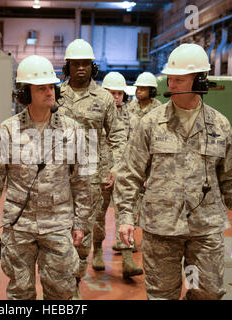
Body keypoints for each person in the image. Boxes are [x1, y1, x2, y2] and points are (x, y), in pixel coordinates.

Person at [114, 43, 232, 300]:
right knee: (162, 294)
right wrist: (125, 217)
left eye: (179, 80)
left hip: (204, 229)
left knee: (206, 292)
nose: (171, 84)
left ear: (199, 81)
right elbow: (130, 173)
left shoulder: (219, 125)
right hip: (161, 229)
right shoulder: (152, 123)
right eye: (171, 79)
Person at [0, 55, 90, 300]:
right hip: (19, 227)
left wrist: (80, 222)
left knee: (61, 292)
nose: (50, 92)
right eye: (42, 88)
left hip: (58, 224)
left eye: (52, 87)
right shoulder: (7, 130)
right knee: (19, 292)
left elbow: (81, 181)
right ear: (25, 94)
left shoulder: (72, 130)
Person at [57, 39, 127, 298]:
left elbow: (118, 136)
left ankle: (74, 283)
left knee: (83, 233)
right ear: (68, 66)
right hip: (58, 177)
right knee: (57, 231)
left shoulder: (104, 98)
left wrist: (116, 168)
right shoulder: (55, 95)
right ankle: (59, 283)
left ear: (92, 66)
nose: (81, 69)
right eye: (76, 64)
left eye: (85, 63)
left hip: (92, 177)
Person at [92, 72, 143, 278]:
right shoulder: (96, 116)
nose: (116, 97)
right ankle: (96, 251)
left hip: (124, 174)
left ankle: (128, 258)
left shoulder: (132, 118)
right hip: (100, 174)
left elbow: (138, 147)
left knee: (126, 214)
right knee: (98, 215)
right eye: (111, 93)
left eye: (119, 93)